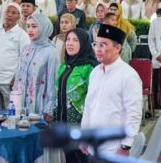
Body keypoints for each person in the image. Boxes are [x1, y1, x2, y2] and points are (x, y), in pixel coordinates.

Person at [80, 24, 142, 161]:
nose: (97, 49)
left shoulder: (128, 76)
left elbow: (134, 114)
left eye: (103, 45)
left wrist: (125, 146)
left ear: (117, 48)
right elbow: (89, 108)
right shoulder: (95, 72)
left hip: (113, 150)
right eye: (96, 44)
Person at [54, 28, 97, 163]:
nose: (70, 43)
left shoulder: (89, 68)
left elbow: (95, 101)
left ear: (84, 43)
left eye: (75, 40)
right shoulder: (65, 66)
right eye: (68, 40)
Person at [12, 13, 59, 120]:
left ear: (43, 27)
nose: (30, 30)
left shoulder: (51, 51)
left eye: (34, 26)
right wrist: (15, 102)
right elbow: (18, 77)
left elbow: (53, 81)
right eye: (28, 26)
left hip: (40, 107)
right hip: (22, 106)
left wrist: (49, 108)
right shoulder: (26, 49)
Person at [0, 3, 30, 111]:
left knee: (11, 115)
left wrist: (16, 79)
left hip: (10, 83)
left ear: (19, 17)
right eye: (7, 11)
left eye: (13, 13)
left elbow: (25, 60)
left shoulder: (22, 35)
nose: (9, 15)